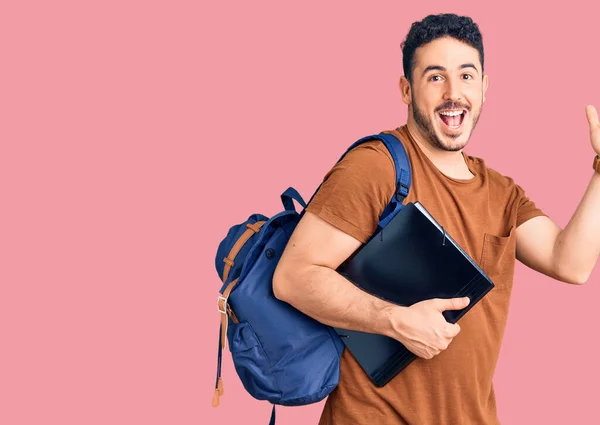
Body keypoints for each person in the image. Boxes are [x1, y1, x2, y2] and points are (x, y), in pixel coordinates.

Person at [272, 12, 600, 425]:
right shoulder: (375, 167)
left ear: (484, 88)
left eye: (466, 76)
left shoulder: (502, 193)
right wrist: (394, 319)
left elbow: (569, 262)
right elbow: (293, 277)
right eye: (434, 77)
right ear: (406, 90)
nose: (453, 93)